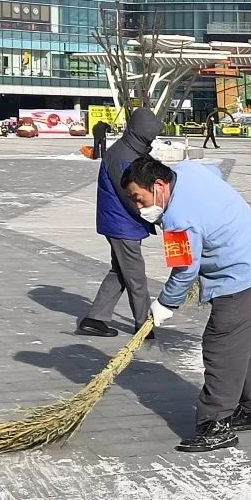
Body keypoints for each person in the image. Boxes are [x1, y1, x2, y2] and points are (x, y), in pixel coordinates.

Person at [122, 155, 251, 453]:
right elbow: (215, 171)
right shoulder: (187, 171)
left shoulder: (177, 221)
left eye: (139, 199)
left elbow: (185, 269)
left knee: (221, 345)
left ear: (158, 185)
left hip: (241, 274)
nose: (139, 208)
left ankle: (215, 423)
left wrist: (165, 304)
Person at [77, 107, 159, 338]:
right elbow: (132, 197)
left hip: (121, 222)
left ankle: (95, 318)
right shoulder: (124, 156)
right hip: (122, 224)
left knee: (120, 272)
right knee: (136, 276)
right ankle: (144, 325)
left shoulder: (130, 150)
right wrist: (156, 213)